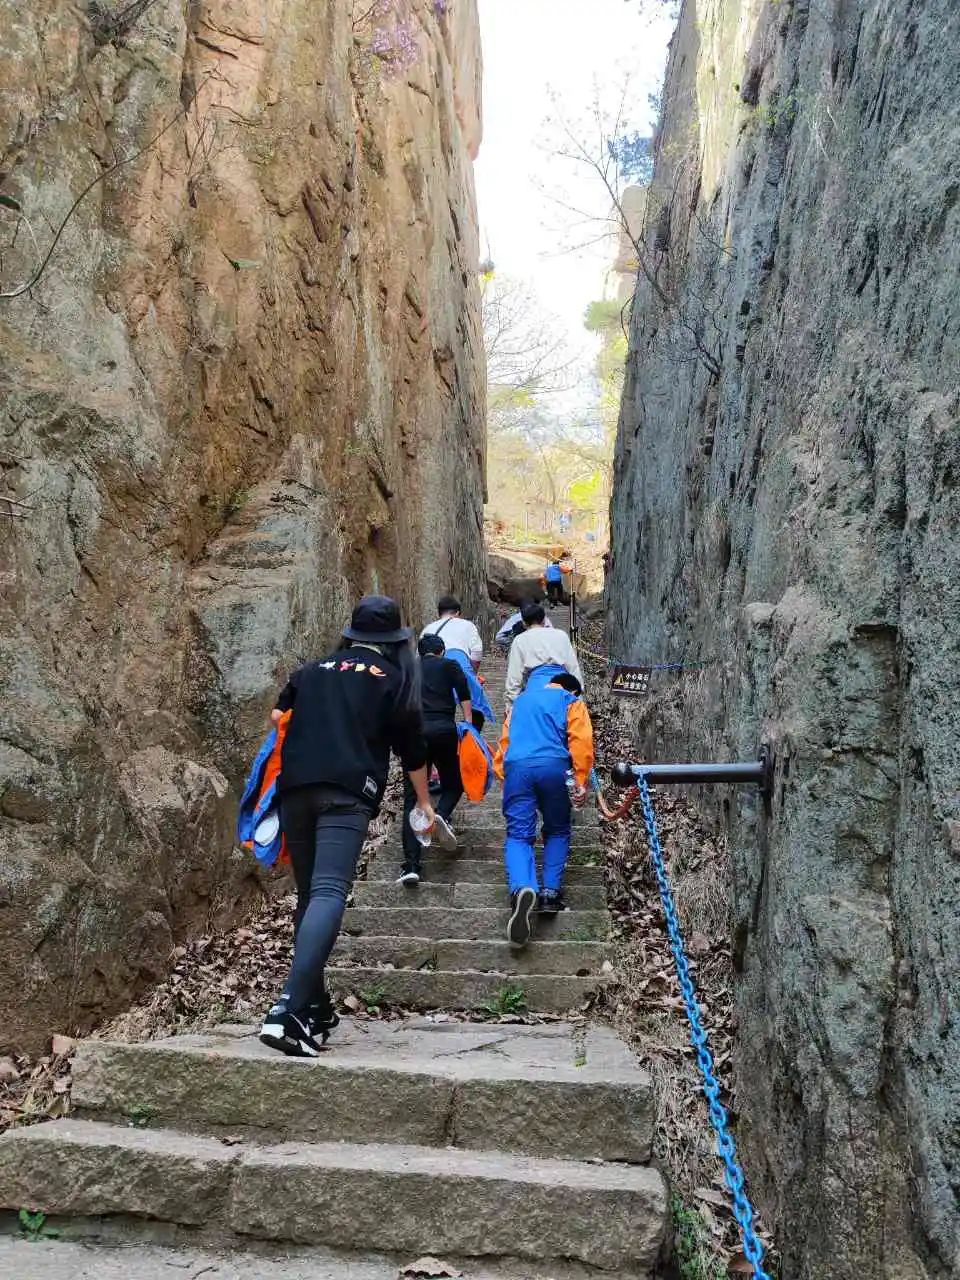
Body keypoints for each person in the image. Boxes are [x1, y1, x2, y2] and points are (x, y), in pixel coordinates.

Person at [259, 595, 433, 1058]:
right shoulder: (392, 678)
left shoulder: (311, 671)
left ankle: (315, 1007)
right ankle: (288, 1010)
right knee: (330, 890)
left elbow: (277, 717)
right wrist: (423, 802)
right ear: (395, 639)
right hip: (347, 792)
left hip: (296, 789)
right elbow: (413, 751)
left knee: (309, 897)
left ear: (351, 633)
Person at [494, 669, 594, 947]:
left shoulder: (519, 703)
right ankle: (549, 893)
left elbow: (504, 743)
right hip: (555, 767)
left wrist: (504, 776)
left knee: (518, 836)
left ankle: (522, 888)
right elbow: (581, 741)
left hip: (518, 769)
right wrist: (581, 780)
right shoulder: (569, 700)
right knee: (558, 829)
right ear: (569, 688)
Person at [399, 633, 472, 885]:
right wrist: (468, 724)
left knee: (412, 799)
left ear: (420, 652)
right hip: (443, 730)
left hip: (415, 733)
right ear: (441, 651)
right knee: (454, 783)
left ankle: (411, 866)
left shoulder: (409, 668)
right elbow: (464, 692)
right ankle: (440, 814)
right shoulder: (449, 664)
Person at [505, 602, 583, 709]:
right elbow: (573, 668)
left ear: (523, 622)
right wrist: (579, 695)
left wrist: (511, 704)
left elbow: (514, 677)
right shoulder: (561, 635)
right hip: (563, 688)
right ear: (544, 620)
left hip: (536, 690)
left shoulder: (520, 640)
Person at [421, 595, 483, 671]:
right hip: (460, 668)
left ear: (439, 614)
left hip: (434, 671)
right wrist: (471, 672)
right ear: (457, 612)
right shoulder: (468, 625)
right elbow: (477, 652)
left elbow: (419, 655)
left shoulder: (428, 628)